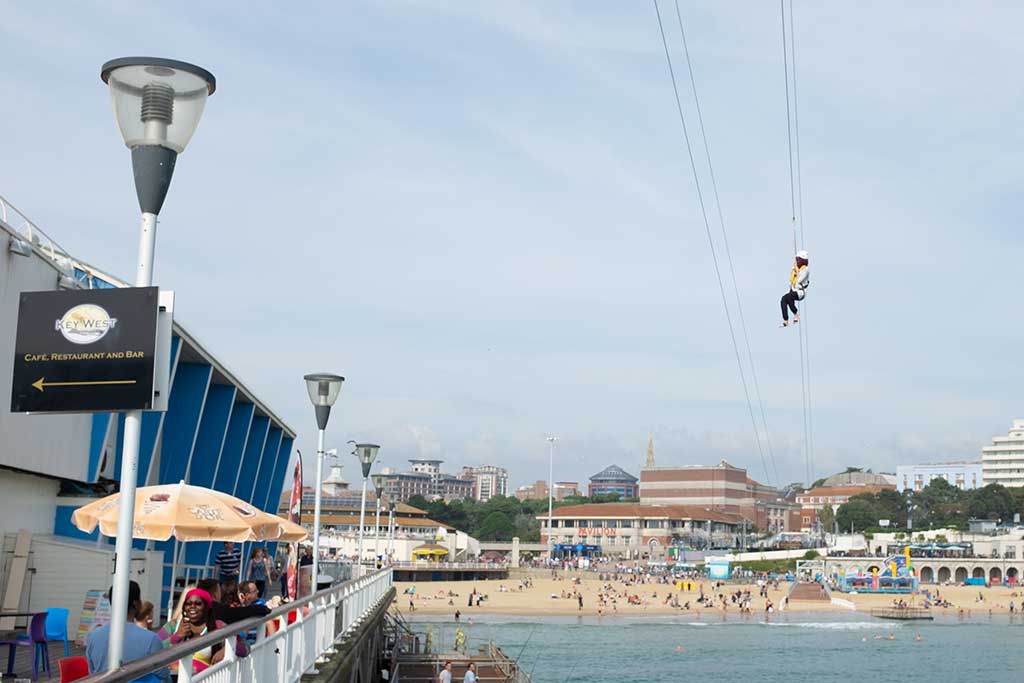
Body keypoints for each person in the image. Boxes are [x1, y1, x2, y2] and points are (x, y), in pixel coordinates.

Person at [86, 580, 168, 682]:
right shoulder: (151, 639)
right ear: (136, 604)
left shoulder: (93, 636)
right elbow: (163, 675)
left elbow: (92, 672)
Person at [158, 588, 248, 673]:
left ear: (207, 607)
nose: (192, 607)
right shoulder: (173, 626)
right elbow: (153, 649)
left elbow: (246, 647)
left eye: (198, 604)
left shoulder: (219, 626)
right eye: (188, 604)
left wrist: (228, 649)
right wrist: (176, 637)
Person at [195, 577, 270, 624]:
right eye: (219, 590)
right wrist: (259, 609)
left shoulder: (196, 607)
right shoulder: (214, 607)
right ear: (215, 593)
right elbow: (236, 613)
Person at [780, 250, 810, 327]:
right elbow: (791, 280)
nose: (797, 261)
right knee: (784, 299)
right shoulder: (795, 267)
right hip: (793, 289)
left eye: (798, 259)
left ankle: (796, 314)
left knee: (789, 297)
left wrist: (797, 271)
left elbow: (799, 280)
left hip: (800, 292)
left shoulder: (805, 270)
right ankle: (785, 320)